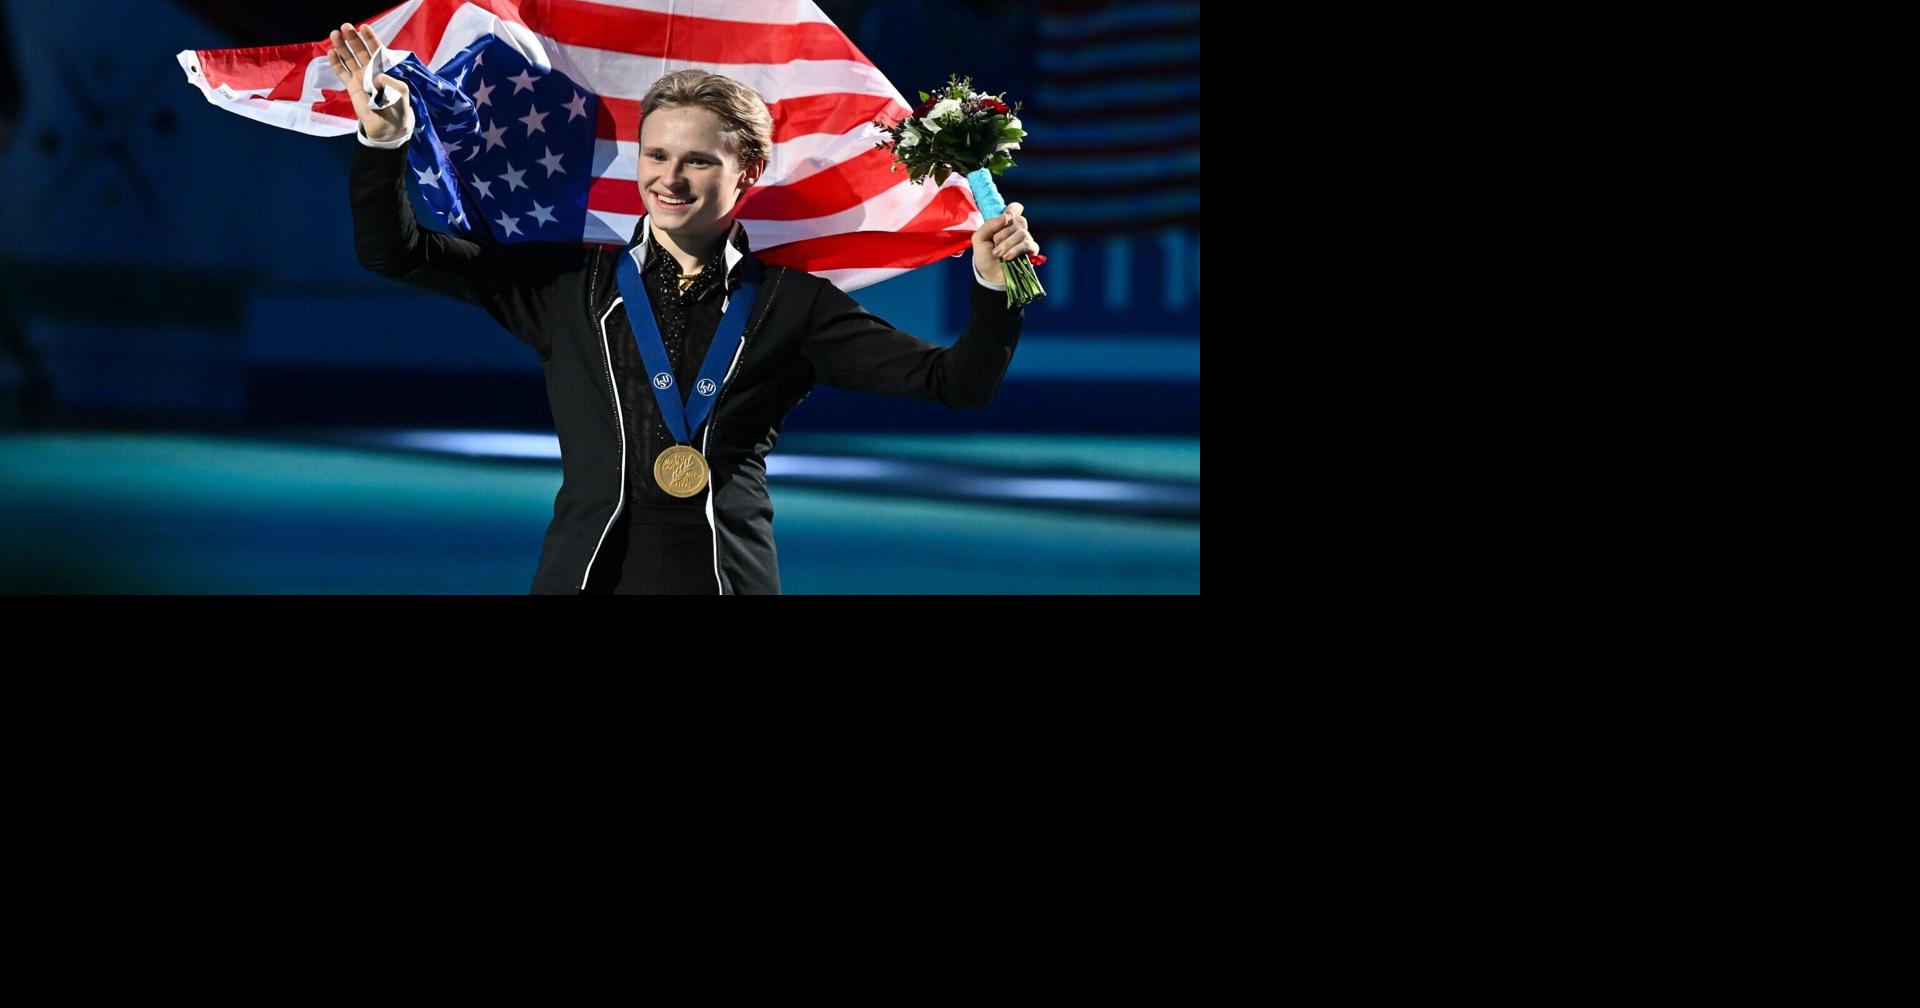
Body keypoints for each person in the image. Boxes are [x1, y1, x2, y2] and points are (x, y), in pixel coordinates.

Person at [325, 23, 1039, 594]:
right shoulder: (567, 286)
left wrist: (993, 286)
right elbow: (398, 252)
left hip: (726, 579)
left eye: (697, 161)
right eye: (656, 155)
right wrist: (384, 142)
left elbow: (957, 384)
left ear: (748, 171)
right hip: (585, 577)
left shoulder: (794, 307)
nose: (669, 178)